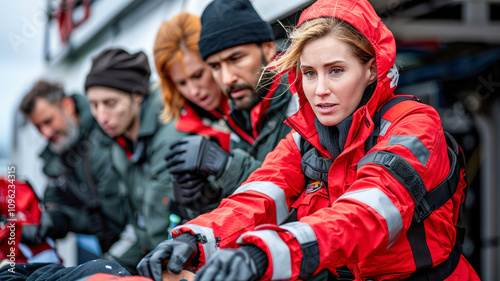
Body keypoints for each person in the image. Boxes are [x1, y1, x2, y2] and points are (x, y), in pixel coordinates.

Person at [136, 0, 481, 280]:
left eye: (335, 70)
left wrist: (265, 252)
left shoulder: (414, 124)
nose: (320, 90)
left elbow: (368, 213)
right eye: (309, 73)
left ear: (372, 67)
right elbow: (258, 197)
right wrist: (196, 238)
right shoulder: (305, 138)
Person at [164, 0, 299, 203]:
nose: (227, 79)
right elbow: (247, 213)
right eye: (215, 67)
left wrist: (228, 167)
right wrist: (205, 197)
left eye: (235, 59)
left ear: (268, 48)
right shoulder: (238, 117)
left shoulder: (304, 97)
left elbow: (303, 195)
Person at [84, 48, 197, 273]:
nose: (101, 116)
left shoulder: (171, 137)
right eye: (94, 105)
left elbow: (161, 227)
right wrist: (104, 266)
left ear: (137, 95)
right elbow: (139, 224)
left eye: (110, 103)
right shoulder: (121, 145)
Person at [19, 80, 127, 256]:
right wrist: (50, 220)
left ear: (67, 105)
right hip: (109, 250)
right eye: (38, 127)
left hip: (136, 247)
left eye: (48, 121)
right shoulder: (57, 154)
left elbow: (114, 216)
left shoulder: (105, 133)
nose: (45, 133)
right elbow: (53, 200)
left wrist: (66, 219)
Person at [153, 12, 231, 213]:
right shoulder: (184, 131)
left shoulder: (250, 100)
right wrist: (201, 202)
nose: (193, 91)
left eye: (198, 75)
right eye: (182, 83)